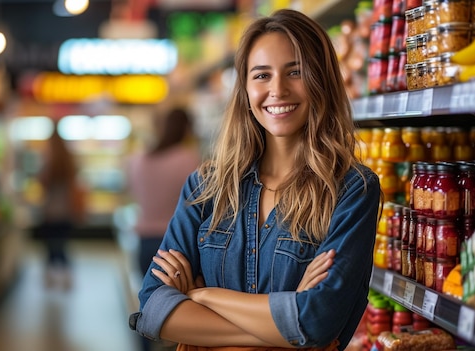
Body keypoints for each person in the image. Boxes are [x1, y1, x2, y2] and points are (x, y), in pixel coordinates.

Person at [129, 8, 382, 351]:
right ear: (245, 89)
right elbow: (153, 310)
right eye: (262, 75)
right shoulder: (206, 188)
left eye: (296, 72)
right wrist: (287, 332)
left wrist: (203, 296)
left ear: (321, 80)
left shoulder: (351, 190)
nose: (277, 90)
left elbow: (316, 321)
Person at [126, 107, 201, 351]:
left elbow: (132, 192)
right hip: (177, 246)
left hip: (144, 241)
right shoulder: (189, 159)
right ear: (187, 128)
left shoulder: (139, 159)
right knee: (180, 309)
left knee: (148, 305)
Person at [36, 130, 86, 289]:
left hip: (50, 211)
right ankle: (66, 277)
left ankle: (50, 278)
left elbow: (42, 185)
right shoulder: (69, 162)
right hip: (66, 211)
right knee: (62, 246)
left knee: (51, 246)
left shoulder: (48, 163)